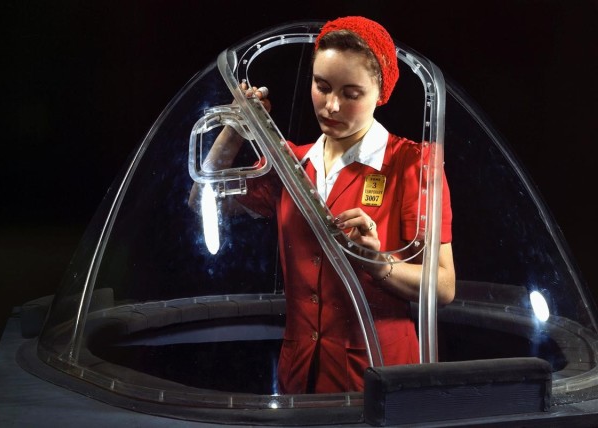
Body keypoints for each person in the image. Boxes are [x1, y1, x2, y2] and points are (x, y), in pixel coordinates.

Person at [190, 16, 455, 394]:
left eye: (351, 94)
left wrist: (379, 264)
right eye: (322, 86)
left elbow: (444, 287)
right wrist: (236, 125)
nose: (331, 106)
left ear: (381, 93)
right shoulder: (290, 164)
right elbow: (201, 200)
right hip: (300, 377)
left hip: (379, 375)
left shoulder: (413, 164)